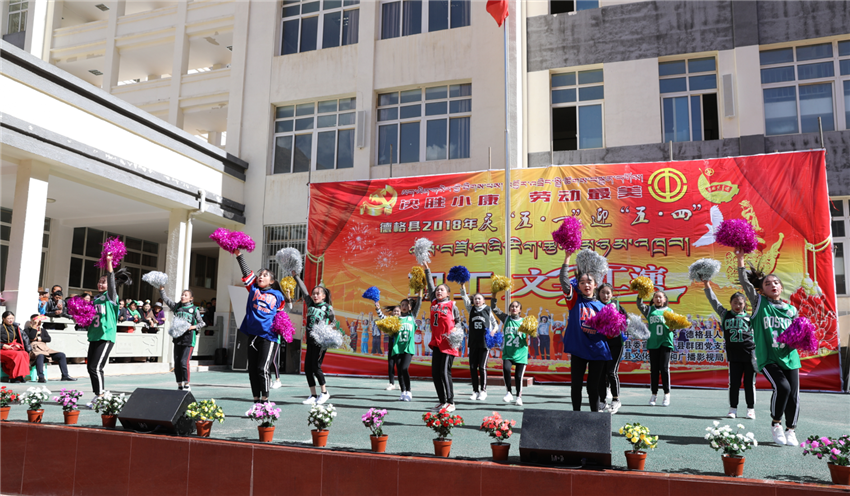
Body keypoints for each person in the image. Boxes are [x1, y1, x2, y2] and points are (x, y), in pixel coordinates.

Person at [736, 251, 801, 446]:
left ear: (781, 287)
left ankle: (791, 430)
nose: (773, 285)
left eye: (776, 282)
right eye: (767, 283)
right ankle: (776, 424)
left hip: (790, 357)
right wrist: (740, 259)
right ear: (762, 290)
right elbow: (745, 283)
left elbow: (798, 335)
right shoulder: (759, 303)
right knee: (783, 387)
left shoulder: (792, 310)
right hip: (768, 357)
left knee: (793, 396)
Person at [234, 250, 287, 403]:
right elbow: (246, 272)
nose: (261, 277)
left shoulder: (278, 295)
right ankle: (256, 400)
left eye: (265, 275)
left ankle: (265, 400)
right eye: (260, 275)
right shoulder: (253, 289)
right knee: (252, 369)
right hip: (252, 335)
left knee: (262, 368)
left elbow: (281, 315)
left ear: (271, 281)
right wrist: (239, 255)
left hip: (269, 336)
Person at [560, 250, 610, 412]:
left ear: (596, 285)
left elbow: (610, 332)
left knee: (593, 387)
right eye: (582, 282)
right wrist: (567, 257)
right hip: (579, 350)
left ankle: (594, 418)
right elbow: (564, 282)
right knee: (576, 385)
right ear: (579, 286)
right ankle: (576, 416)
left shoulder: (603, 307)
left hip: (598, 351)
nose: (586, 285)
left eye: (589, 282)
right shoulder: (574, 301)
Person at [703, 281, 756, 420]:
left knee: (750, 383)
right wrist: (706, 284)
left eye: (740, 303)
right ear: (731, 303)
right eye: (735, 303)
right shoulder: (725, 314)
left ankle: (750, 409)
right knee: (734, 383)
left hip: (750, 354)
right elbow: (713, 300)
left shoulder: (750, 318)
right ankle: (733, 409)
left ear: (745, 304)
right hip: (734, 356)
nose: (738, 305)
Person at [85, 254, 130, 407]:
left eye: (103, 282)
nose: (100, 284)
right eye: (99, 281)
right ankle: (98, 395)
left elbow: (111, 279)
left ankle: (101, 396)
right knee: (90, 368)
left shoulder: (111, 297)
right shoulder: (96, 299)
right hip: (94, 335)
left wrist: (109, 262)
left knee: (96, 367)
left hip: (106, 335)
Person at [291, 270, 334, 405]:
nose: (315, 296)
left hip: (320, 342)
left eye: (318, 293)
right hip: (310, 341)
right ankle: (313, 395)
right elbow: (304, 290)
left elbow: (333, 322)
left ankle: (324, 393)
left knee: (316, 366)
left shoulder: (327, 307)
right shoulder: (310, 303)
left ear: (324, 296)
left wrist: (327, 332)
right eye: (314, 293)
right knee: (308, 368)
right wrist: (296, 276)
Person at [423, 262, 462, 412]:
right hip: (437, 343)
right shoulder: (434, 302)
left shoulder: (452, 305)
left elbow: (458, 322)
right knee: (435, 373)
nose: (439, 291)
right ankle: (442, 401)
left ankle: (451, 402)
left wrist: (456, 331)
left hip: (448, 343)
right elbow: (430, 285)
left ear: (448, 293)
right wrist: (427, 269)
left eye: (442, 290)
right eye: (438, 290)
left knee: (444, 372)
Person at [159, 287, 205, 391]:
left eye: (185, 295)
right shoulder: (177, 307)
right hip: (178, 339)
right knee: (177, 363)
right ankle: (179, 384)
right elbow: (165, 299)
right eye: (182, 295)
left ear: (191, 298)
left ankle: (187, 384)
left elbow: (202, 323)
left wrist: (192, 327)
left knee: (184, 362)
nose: (183, 296)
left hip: (189, 339)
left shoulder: (194, 309)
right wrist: (161, 289)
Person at [637, 289, 674, 407]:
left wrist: (673, 328)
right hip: (653, 343)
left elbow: (674, 325)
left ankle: (667, 394)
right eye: (656, 297)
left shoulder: (669, 311)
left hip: (665, 342)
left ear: (665, 299)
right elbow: (639, 304)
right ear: (653, 299)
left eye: (660, 297)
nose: (658, 299)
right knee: (654, 370)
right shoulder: (649, 310)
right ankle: (654, 394)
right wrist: (640, 292)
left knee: (664, 368)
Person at [460, 284, 497, 401]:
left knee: (482, 367)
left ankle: (483, 391)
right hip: (473, 342)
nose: (477, 300)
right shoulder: (471, 309)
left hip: (484, 342)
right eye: (475, 299)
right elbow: (465, 298)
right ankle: (475, 391)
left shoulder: (487, 309)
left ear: (483, 300)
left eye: (479, 299)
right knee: (472, 367)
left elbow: (494, 323)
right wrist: (462, 287)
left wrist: (493, 331)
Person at [491, 294, 528, 406]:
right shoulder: (506, 318)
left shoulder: (525, 321)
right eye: (512, 306)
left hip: (521, 353)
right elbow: (494, 308)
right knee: (506, 370)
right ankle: (509, 392)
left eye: (516, 307)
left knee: (518, 376)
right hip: (508, 352)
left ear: (520, 310)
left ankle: (519, 397)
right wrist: (494, 295)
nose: (514, 308)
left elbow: (533, 334)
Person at [596, 283, 626, 414]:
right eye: (603, 292)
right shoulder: (595, 305)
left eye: (608, 293)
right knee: (601, 373)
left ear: (612, 294)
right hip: (601, 344)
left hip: (616, 344)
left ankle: (616, 400)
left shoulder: (617, 305)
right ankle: (602, 401)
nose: (605, 295)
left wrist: (618, 324)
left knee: (611, 372)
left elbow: (625, 321)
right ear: (598, 293)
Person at [24, 314, 76, 382]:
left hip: (45, 350)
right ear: (31, 322)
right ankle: (41, 377)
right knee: (40, 355)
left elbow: (48, 339)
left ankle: (65, 375)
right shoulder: (27, 330)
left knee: (61, 355)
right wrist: (34, 327)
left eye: (39, 321)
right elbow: (31, 337)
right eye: (36, 321)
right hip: (35, 352)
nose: (38, 322)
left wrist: (38, 339)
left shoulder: (43, 330)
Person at [1, 311, 31, 382]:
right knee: (17, 355)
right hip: (2, 349)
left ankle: (21, 375)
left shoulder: (15, 328)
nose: (11, 320)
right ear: (3, 319)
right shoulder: (0, 328)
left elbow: (19, 339)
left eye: (12, 318)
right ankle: (13, 377)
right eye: (9, 318)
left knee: (24, 354)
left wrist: (17, 344)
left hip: (11, 348)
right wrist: (3, 345)